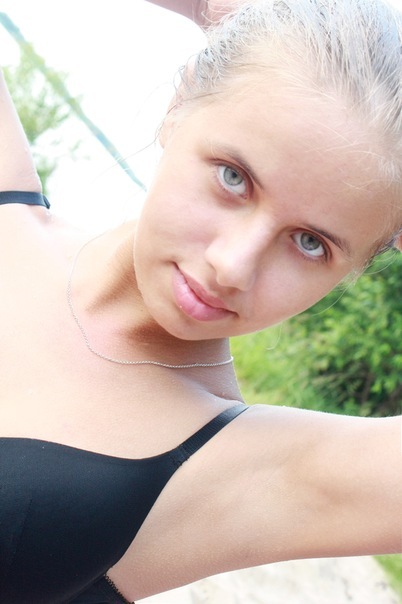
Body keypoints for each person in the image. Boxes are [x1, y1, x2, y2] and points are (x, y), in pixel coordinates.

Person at [0, 0, 401, 603]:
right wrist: (219, 9)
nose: (232, 265)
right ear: (179, 103)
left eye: (310, 243)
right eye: (233, 177)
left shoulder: (235, 469)